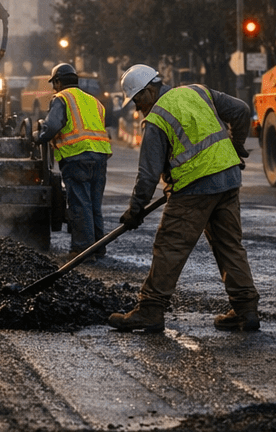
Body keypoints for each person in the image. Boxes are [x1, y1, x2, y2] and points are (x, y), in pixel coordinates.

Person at [108, 64, 261, 334]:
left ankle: (150, 311)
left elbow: (147, 175)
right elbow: (241, 110)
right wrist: (236, 145)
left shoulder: (157, 118)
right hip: (228, 179)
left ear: (150, 90)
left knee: (170, 247)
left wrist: (135, 209)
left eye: (137, 100)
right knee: (229, 246)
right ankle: (246, 310)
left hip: (194, 188)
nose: (137, 108)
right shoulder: (198, 92)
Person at [33, 63, 112, 261]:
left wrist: (38, 137)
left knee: (80, 204)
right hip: (100, 156)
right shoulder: (94, 101)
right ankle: (98, 248)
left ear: (58, 82)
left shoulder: (62, 98)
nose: (54, 88)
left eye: (54, 84)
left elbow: (52, 126)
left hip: (77, 157)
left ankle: (83, 250)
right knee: (94, 204)